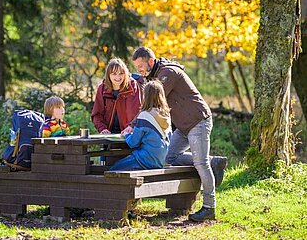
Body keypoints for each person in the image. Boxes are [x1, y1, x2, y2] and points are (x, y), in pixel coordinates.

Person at [132, 46, 227, 222]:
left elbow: (154, 101)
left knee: (201, 164)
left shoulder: (168, 73)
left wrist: (134, 124)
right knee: (168, 157)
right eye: (137, 68)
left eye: (141, 66)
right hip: (183, 126)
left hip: (198, 120)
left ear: (151, 62)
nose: (140, 70)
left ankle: (209, 207)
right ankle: (213, 161)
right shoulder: (156, 75)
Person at [110, 80, 172, 171]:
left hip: (145, 160)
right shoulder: (166, 116)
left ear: (145, 96)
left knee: (113, 169)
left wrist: (126, 135)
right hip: (161, 160)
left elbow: (133, 143)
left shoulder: (145, 116)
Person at [91, 58, 142, 135]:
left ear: (125, 74)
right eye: (114, 74)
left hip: (129, 134)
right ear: (108, 75)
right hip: (108, 134)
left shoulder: (132, 86)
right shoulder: (102, 88)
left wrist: (131, 127)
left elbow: (138, 111)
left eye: (121, 73)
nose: (118, 77)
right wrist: (103, 129)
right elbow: (97, 114)